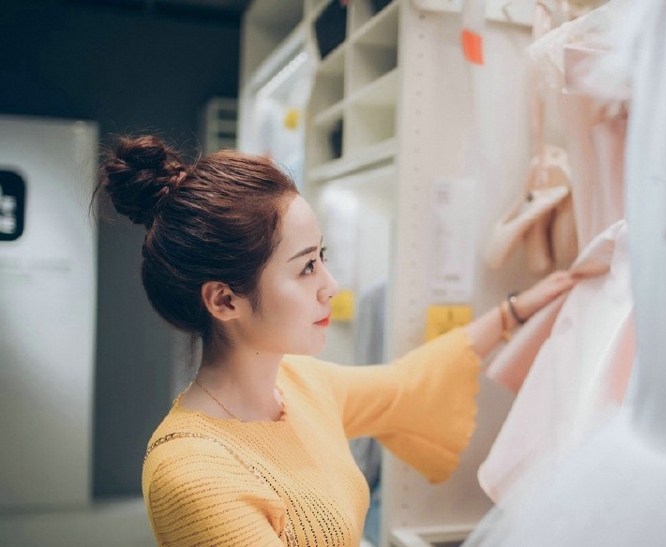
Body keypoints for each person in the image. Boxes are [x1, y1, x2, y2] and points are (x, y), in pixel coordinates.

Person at [95, 135, 574, 547]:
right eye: (306, 267)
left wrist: (514, 312)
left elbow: (407, 384)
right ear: (224, 301)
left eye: (322, 256)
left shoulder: (299, 384)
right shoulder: (190, 469)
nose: (331, 285)